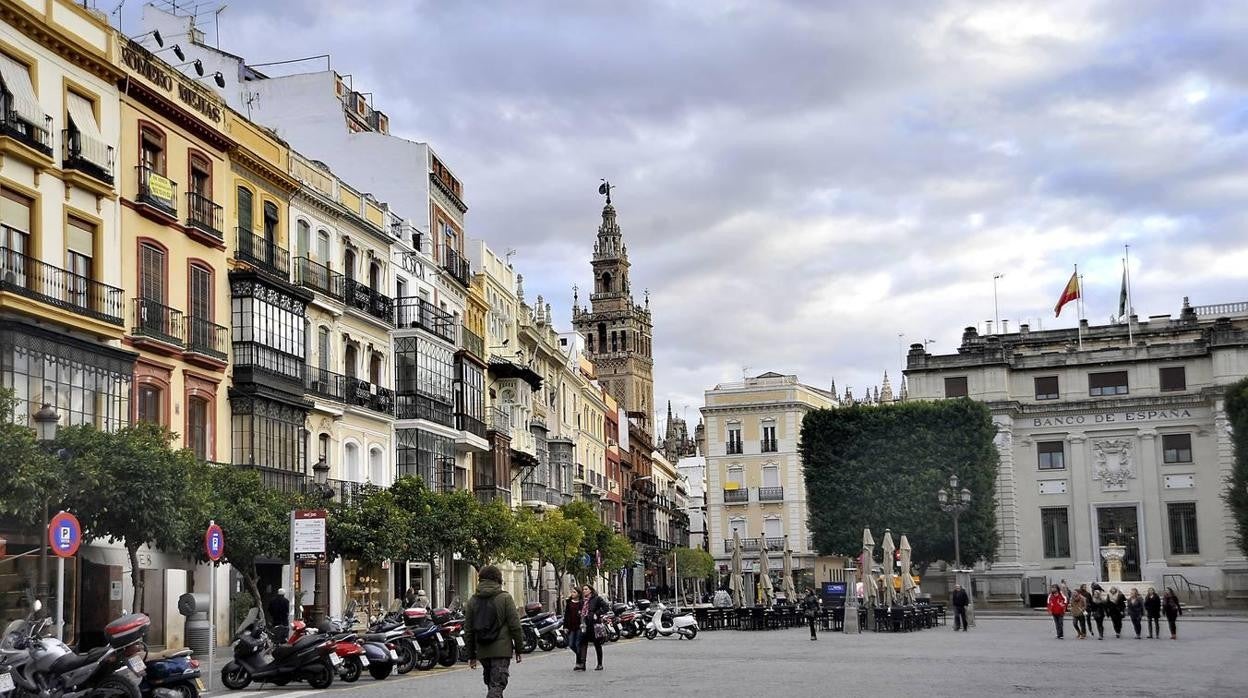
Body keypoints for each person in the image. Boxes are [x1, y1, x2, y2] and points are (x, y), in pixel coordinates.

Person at [465, 565, 523, 698]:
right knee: (497, 685)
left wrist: (471, 655)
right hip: (501, 650)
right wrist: (519, 648)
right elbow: (515, 626)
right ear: (498, 579)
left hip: (483, 650)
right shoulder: (505, 598)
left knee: (492, 684)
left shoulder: (473, 600)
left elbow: (468, 630)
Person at [575, 584, 610, 671]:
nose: (584, 591)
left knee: (597, 644)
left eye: (586, 589)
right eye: (583, 589)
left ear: (591, 590)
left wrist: (597, 613)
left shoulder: (597, 599)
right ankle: (583, 664)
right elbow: (579, 610)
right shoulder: (582, 601)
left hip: (594, 625)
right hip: (584, 624)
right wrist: (579, 613)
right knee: (583, 644)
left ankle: (599, 664)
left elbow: (606, 607)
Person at [563, 588, 583, 664]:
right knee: (571, 644)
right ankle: (581, 656)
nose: (572, 593)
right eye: (572, 592)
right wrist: (565, 627)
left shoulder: (581, 603)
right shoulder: (569, 603)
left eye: (574, 592)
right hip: (571, 626)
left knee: (578, 643)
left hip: (579, 626)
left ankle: (579, 661)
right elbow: (566, 615)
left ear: (578, 594)